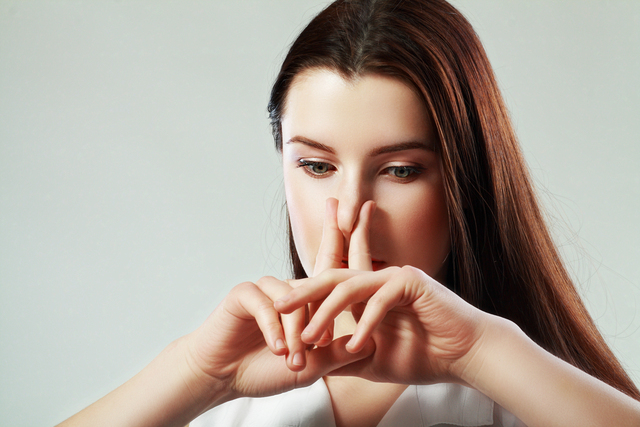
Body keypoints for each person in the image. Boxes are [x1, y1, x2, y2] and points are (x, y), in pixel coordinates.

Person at [57, 0, 640, 426]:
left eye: (400, 171)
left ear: (466, 181)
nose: (350, 212)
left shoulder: (534, 399)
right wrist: (195, 374)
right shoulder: (223, 399)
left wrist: (482, 352)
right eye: (316, 166)